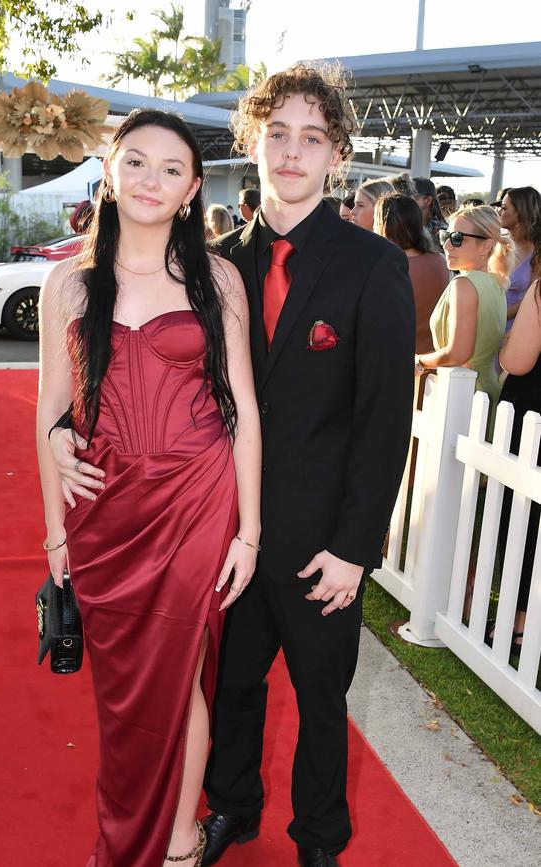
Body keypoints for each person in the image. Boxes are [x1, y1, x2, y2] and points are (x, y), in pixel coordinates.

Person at [199, 65, 413, 867]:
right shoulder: (215, 263)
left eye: (311, 138)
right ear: (253, 142)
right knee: (232, 688)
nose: (291, 153)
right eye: (276, 133)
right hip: (231, 534)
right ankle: (232, 808)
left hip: (325, 540)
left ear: (337, 155)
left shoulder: (371, 265)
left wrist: (357, 545)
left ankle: (321, 837)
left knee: (323, 700)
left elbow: (386, 418)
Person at [38, 108, 262, 867]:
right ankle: (153, 826)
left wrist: (249, 531)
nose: (151, 180)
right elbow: (50, 411)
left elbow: (245, 411)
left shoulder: (218, 277)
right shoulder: (68, 282)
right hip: (104, 509)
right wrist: (54, 532)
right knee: (129, 690)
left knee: (180, 671)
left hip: (197, 502)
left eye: (171, 169)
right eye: (136, 161)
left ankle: (175, 838)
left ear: (193, 188)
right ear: (110, 169)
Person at [416, 205, 513, 424]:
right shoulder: (496, 282)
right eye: (446, 236)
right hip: (486, 391)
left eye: (458, 238)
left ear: (486, 246)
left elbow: (458, 353)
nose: (448, 245)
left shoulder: (464, 284)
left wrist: (419, 362)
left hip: (464, 394)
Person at [496, 256, 541, 655]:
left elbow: (517, 360)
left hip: (534, 423)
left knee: (525, 523)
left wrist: (507, 343)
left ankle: (521, 619)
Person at [373, 193, 449, 353]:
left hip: (398, 359)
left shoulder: (390, 268)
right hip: (430, 360)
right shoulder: (439, 261)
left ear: (382, 224)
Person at [498, 186, 541, 331]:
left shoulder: (537, 251)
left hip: (513, 331)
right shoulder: (495, 243)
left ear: (520, 212)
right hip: (486, 325)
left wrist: (496, 316)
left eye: (504, 208)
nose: (499, 211)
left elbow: (532, 299)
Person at [413, 177, 447, 248]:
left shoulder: (442, 232)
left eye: (413, 197)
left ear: (428, 200)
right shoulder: (405, 226)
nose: (407, 201)